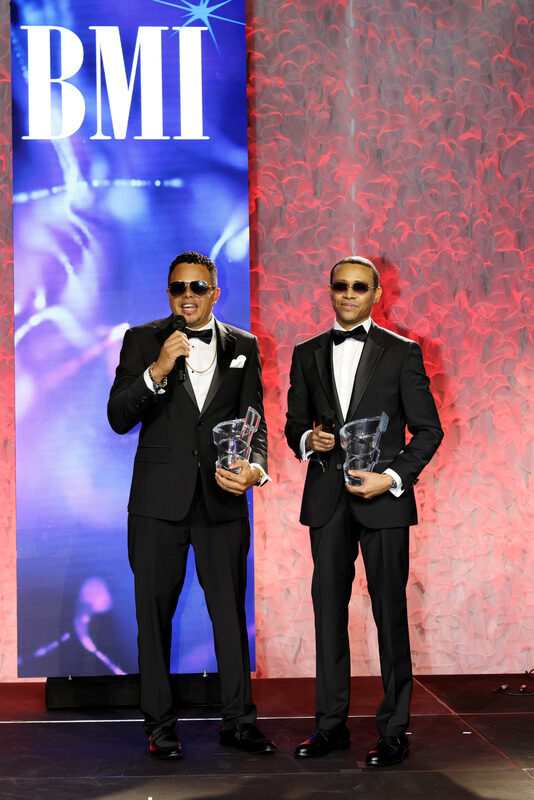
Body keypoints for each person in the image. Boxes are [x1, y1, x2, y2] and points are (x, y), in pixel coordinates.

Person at [108, 251, 275, 759]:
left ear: (214, 293)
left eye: (198, 287)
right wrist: (157, 370)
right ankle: (159, 726)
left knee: (229, 614)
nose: (187, 295)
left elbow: (256, 422)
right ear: (169, 292)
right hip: (158, 505)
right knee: (152, 616)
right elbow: (117, 416)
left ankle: (239, 722)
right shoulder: (141, 340)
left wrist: (255, 470)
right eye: (178, 287)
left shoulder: (243, 345)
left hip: (222, 501)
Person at [285, 256, 443, 766]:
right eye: (340, 286)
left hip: (384, 502)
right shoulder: (307, 353)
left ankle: (394, 729)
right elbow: (291, 425)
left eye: (359, 286)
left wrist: (393, 477)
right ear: (329, 291)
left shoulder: (403, 353)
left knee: (389, 613)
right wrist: (310, 438)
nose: (348, 293)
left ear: (377, 293)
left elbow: (428, 430)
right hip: (328, 499)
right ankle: (329, 725)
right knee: (327, 613)